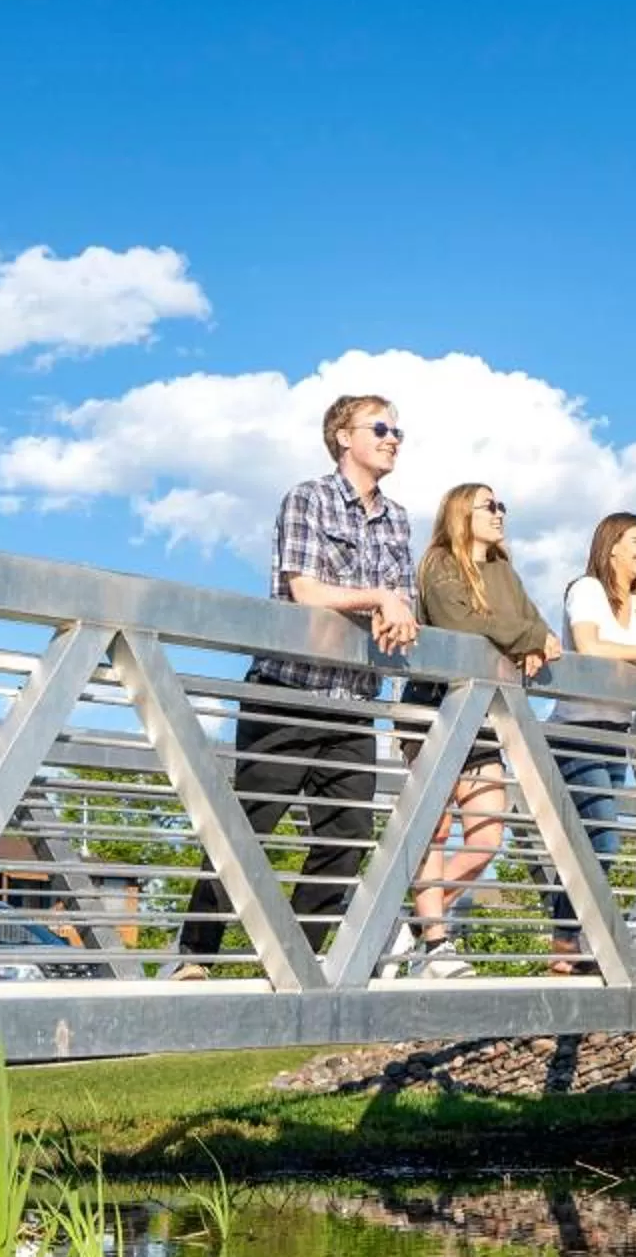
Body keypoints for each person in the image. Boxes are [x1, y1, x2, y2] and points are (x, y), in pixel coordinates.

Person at [168, 393, 418, 978]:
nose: (393, 438)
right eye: (380, 428)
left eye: (398, 431)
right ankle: (194, 956)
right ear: (342, 437)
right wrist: (380, 598)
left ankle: (291, 960)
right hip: (288, 692)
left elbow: (399, 605)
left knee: (349, 838)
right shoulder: (309, 498)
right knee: (250, 826)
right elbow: (305, 592)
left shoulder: (399, 519)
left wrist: (391, 604)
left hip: (353, 702)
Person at [402, 482, 559, 977]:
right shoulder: (438, 563)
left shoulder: (503, 571)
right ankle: (435, 943)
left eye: (502, 504)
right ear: (460, 513)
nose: (500, 513)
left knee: (486, 836)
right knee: (437, 827)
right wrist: (532, 639)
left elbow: (534, 622)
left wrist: (533, 638)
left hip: (485, 717)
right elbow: (461, 624)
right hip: (435, 709)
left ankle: (409, 922)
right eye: (490, 505)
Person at [545, 512, 636, 973]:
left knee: (596, 839)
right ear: (610, 546)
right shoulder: (587, 589)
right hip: (576, 728)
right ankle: (568, 947)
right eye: (635, 541)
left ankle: (574, 947)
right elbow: (590, 647)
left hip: (615, 732)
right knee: (603, 836)